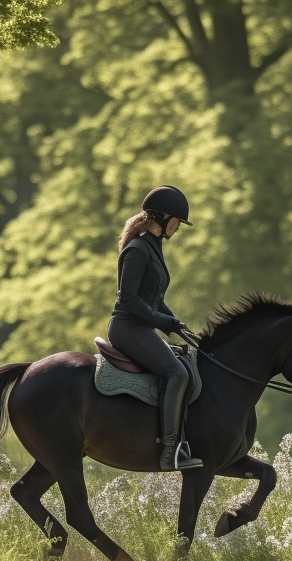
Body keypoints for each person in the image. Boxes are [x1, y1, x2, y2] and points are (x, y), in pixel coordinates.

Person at [108, 185, 203, 471]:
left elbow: (155, 299)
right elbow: (130, 299)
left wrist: (176, 323)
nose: (177, 227)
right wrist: (164, 323)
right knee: (176, 372)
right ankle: (169, 451)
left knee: (185, 362)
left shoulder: (152, 247)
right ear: (162, 218)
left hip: (141, 327)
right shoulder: (138, 249)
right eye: (176, 221)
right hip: (127, 328)